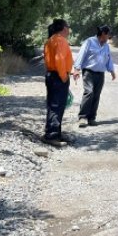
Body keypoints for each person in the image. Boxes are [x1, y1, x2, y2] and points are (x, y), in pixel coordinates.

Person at [73, 25, 116, 127]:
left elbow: (108, 59)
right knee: (89, 92)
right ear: (103, 34)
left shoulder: (106, 46)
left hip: (100, 74)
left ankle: (92, 118)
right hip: (89, 72)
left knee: (96, 95)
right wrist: (77, 69)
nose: (109, 37)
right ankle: (82, 117)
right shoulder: (89, 42)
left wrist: (112, 71)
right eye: (108, 35)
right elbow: (81, 54)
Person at [43, 18, 73, 147]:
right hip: (58, 76)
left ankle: (56, 132)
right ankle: (52, 135)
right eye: (68, 27)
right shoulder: (60, 40)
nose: (69, 30)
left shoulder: (51, 40)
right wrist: (63, 75)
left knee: (54, 105)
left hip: (51, 75)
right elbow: (59, 59)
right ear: (64, 28)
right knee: (57, 106)